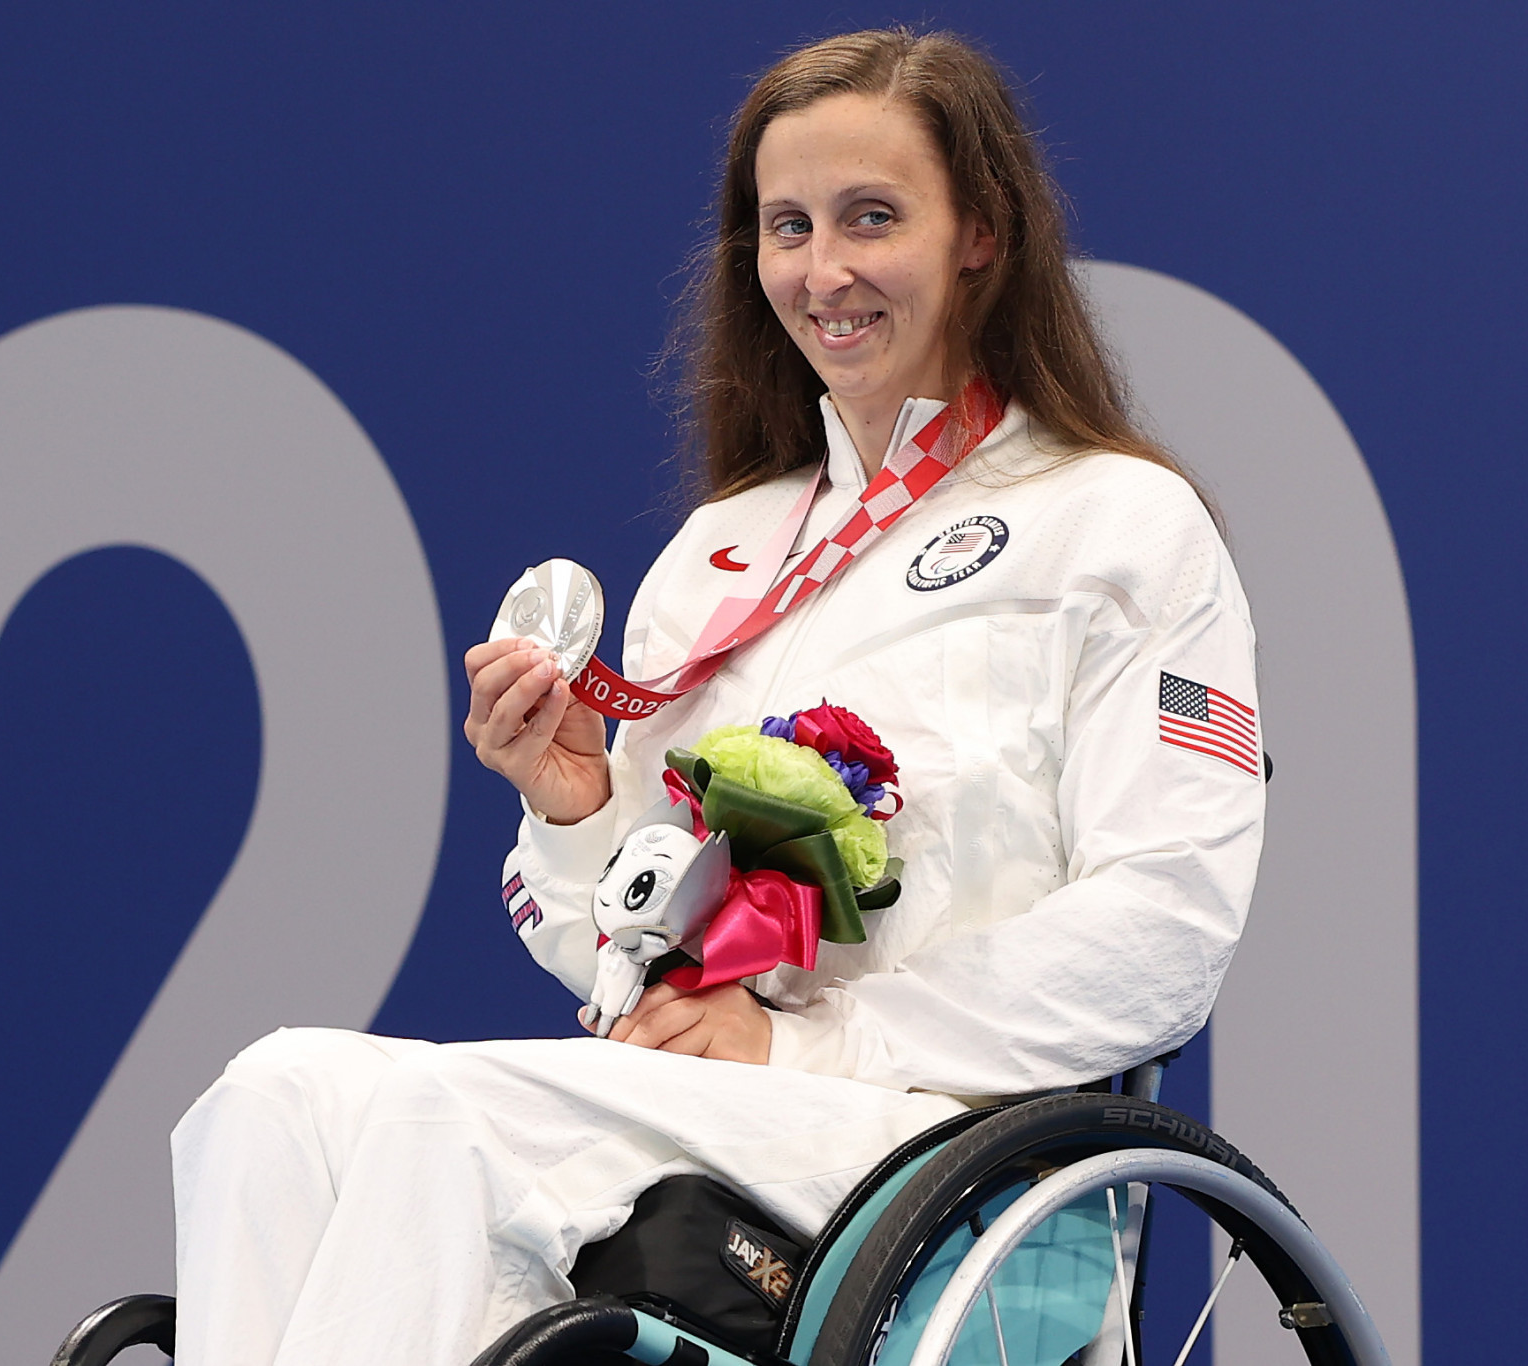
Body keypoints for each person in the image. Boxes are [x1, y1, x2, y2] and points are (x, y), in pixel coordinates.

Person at [170, 27, 1263, 1366]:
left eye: (874, 217)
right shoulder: (722, 553)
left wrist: (822, 1042)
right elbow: (619, 959)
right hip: (718, 1113)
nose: (824, 270)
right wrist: (576, 812)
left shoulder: (1121, 525)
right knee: (272, 1093)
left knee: (430, 1125)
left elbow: (1168, 928)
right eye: (786, 226)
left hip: (943, 1143)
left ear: (982, 232)